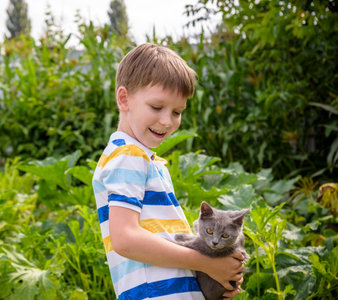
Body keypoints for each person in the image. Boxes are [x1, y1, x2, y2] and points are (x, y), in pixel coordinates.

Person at [92, 43, 245, 300]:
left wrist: (212, 282)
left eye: (177, 112)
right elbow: (125, 239)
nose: (167, 121)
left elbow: (162, 241)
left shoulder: (143, 158)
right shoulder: (129, 156)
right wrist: (205, 263)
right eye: (156, 107)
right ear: (124, 99)